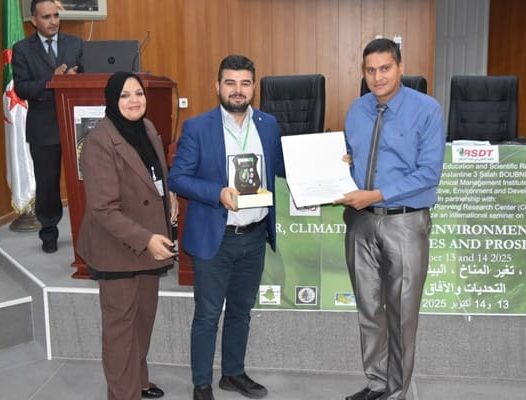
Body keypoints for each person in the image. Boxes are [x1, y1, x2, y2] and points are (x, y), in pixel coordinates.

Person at [168, 55, 285, 400]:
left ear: (253, 87)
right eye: (230, 82)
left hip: (254, 236)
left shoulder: (268, 125)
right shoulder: (197, 127)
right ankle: (202, 383)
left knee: (240, 311)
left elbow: (282, 168)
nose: (238, 90)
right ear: (217, 86)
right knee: (207, 315)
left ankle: (233, 374)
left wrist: (327, 164)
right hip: (215, 238)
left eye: (245, 83)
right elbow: (178, 178)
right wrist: (217, 193)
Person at [335, 38, 446, 400]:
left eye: (385, 68)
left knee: (401, 315)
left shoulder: (427, 110)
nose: (378, 77)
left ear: (400, 68)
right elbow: (349, 157)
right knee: (369, 309)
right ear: (363, 72)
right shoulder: (356, 110)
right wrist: (339, 167)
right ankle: (377, 384)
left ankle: (397, 392)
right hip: (360, 222)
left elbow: (429, 173)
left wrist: (378, 194)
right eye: (370, 70)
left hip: (405, 223)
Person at [76, 72, 177, 400]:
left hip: (150, 242)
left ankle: (139, 380)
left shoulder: (146, 128)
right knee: (120, 328)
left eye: (138, 93)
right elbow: (103, 209)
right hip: (118, 247)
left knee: (143, 319)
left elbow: (155, 175)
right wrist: (147, 240)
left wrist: (169, 196)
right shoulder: (99, 141)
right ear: (111, 100)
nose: (134, 100)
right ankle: (123, 394)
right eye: (124, 95)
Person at [12, 0, 83, 253]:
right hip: (43, 126)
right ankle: (49, 233)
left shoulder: (76, 43)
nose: (53, 21)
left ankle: (88, 231)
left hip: (76, 122)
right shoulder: (22, 49)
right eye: (46, 17)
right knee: (48, 184)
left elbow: (89, 76)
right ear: (34, 20)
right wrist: (52, 82)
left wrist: (75, 80)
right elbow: (22, 88)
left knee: (85, 179)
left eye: (56, 16)